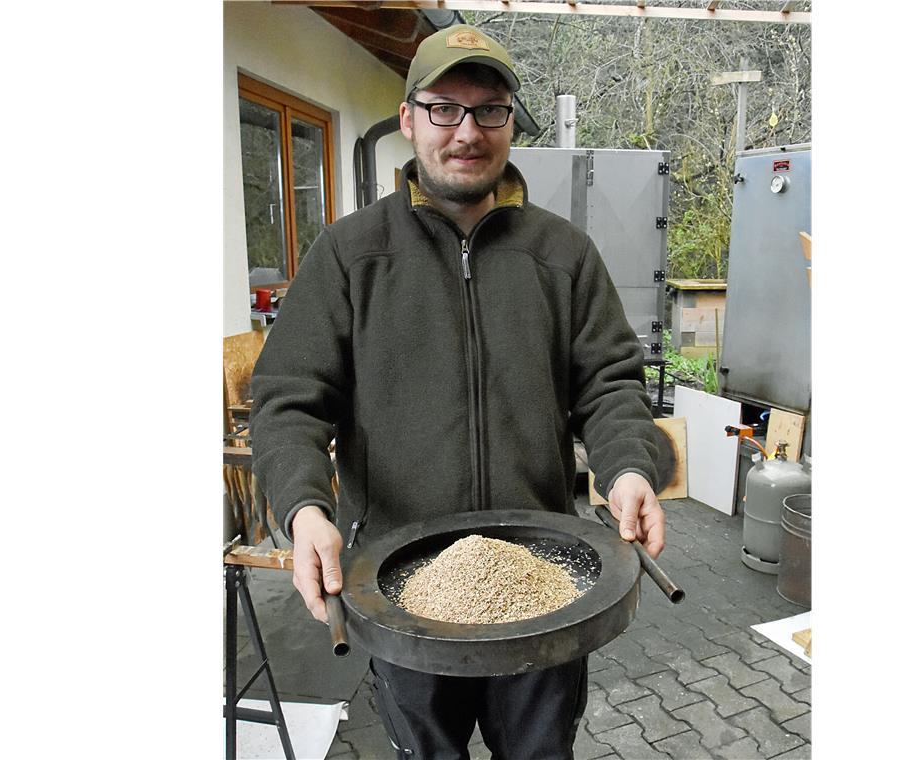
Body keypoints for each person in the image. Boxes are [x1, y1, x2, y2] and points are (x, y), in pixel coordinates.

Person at [249, 23, 673, 760]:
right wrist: (304, 508)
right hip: (399, 587)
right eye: (444, 108)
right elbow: (288, 399)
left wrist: (629, 468)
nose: (467, 131)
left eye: (489, 110)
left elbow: (610, 384)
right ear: (409, 118)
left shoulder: (562, 256)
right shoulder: (351, 257)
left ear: (512, 122)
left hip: (542, 582)